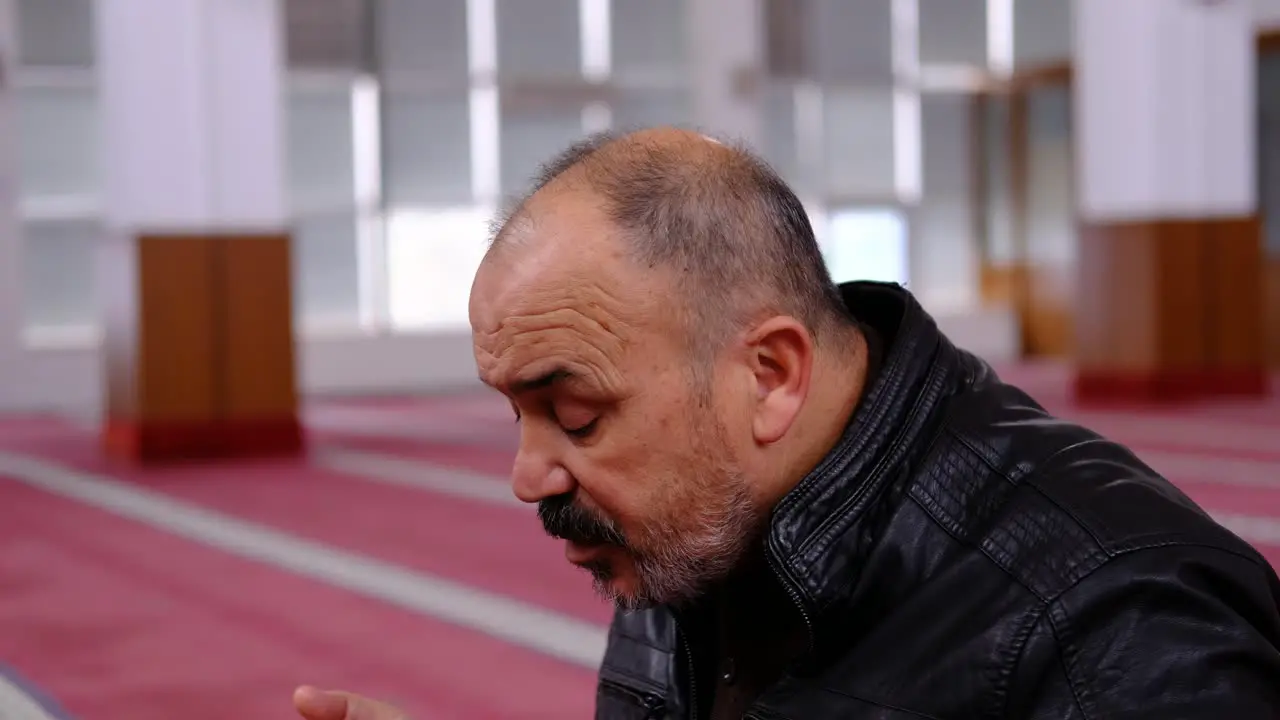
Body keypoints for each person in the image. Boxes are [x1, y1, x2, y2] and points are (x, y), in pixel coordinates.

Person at [294, 128, 1280, 720]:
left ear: (767, 375)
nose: (527, 476)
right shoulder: (691, 531)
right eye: (516, 416)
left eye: (576, 416)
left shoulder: (1112, 629)